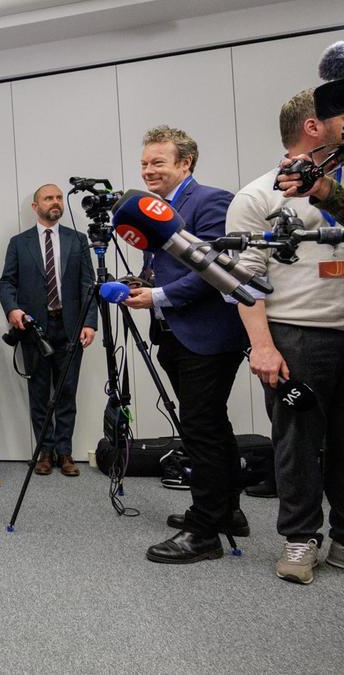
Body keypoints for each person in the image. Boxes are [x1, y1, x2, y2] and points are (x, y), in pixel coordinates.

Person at [122, 126, 249, 564]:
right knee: (210, 423)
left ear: (185, 163)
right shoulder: (155, 209)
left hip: (209, 335)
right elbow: (164, 266)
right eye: (144, 163)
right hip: (173, 332)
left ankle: (204, 531)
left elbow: (216, 269)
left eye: (158, 162)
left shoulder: (212, 200)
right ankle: (228, 510)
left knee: (200, 427)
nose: (148, 170)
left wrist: (157, 296)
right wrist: (140, 284)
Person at [234, 88, 344, 584]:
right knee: (297, 443)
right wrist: (261, 344)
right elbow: (244, 278)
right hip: (297, 336)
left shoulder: (336, 192)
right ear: (314, 127)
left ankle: (343, 537)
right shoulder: (258, 195)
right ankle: (300, 539)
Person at [0, 184, 96, 479]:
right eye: (48, 198)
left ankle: (65, 452)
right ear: (35, 206)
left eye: (57, 198)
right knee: (40, 393)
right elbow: (7, 283)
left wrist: (90, 322)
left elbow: (87, 284)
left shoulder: (78, 240)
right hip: (35, 330)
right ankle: (45, 451)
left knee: (67, 392)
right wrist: (12, 309)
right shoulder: (19, 243)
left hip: (71, 328)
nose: (55, 202)